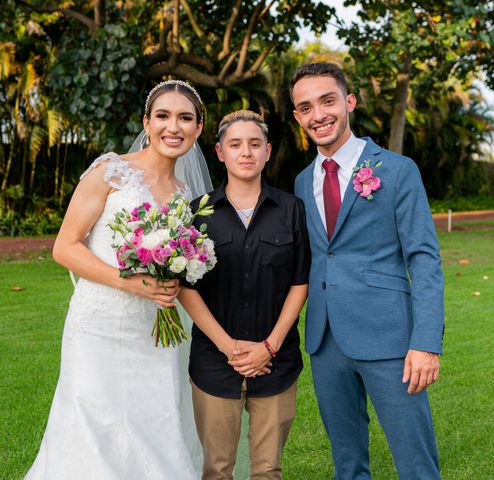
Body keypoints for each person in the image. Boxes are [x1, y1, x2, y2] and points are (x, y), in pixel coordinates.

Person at [24, 80, 209, 479]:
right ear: (147, 121)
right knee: (92, 425)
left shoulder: (187, 193)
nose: (172, 127)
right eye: (162, 116)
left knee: (157, 420)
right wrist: (125, 281)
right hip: (99, 326)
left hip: (156, 330)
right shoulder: (111, 171)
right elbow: (65, 247)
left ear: (197, 129)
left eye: (184, 118)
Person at [291, 62, 444, 479]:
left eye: (328, 101)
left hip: (391, 339)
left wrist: (426, 342)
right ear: (297, 117)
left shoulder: (396, 170)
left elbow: (424, 259)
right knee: (347, 462)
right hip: (325, 340)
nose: (318, 115)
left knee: (415, 462)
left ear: (349, 101)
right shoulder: (303, 183)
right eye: (306, 107)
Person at [178, 110, 311, 480]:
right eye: (235, 144)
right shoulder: (197, 214)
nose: (246, 152)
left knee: (268, 470)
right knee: (217, 470)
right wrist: (229, 348)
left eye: (255, 144)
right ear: (220, 152)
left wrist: (268, 346)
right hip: (214, 364)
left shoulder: (291, 210)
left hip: (277, 363)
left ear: (268, 151)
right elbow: (187, 289)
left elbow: (301, 282)